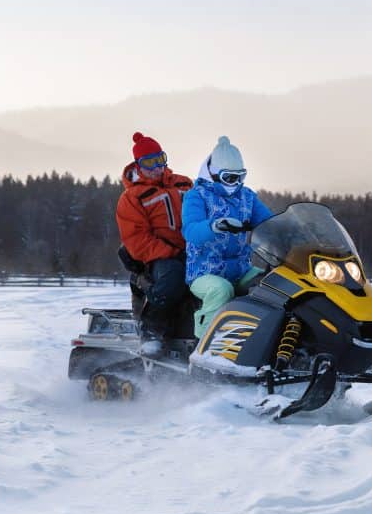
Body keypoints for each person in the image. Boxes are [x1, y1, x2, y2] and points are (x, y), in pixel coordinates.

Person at [182, 136, 274, 338]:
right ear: (214, 175)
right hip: (204, 272)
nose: (237, 183)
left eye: (241, 177)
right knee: (221, 290)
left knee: (275, 283)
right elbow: (191, 231)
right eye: (230, 178)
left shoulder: (247, 197)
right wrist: (214, 225)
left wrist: (292, 231)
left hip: (241, 270)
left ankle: (261, 342)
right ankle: (203, 345)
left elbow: (269, 223)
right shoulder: (197, 195)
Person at [115, 131, 193, 355]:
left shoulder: (184, 184)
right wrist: (171, 252)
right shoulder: (133, 197)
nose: (156, 167)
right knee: (174, 278)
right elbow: (137, 239)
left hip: (194, 249)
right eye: (149, 163)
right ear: (139, 165)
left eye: (160, 159)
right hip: (157, 257)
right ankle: (151, 330)